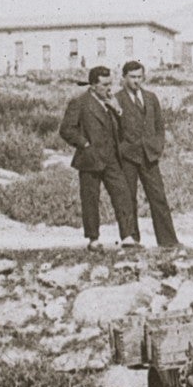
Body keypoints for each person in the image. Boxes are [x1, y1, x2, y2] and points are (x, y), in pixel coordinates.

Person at [59, 65, 137, 250]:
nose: (109, 88)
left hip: (111, 158)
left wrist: (118, 111)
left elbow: (125, 129)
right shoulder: (80, 102)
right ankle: (93, 239)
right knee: (90, 199)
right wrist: (84, 144)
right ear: (93, 86)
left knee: (122, 194)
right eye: (104, 85)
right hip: (90, 159)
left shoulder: (112, 102)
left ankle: (127, 236)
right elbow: (66, 129)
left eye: (110, 84)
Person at [115, 61, 180, 249]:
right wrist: (122, 149)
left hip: (149, 155)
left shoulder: (151, 98)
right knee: (128, 198)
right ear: (124, 78)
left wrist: (157, 146)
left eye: (139, 77)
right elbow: (113, 130)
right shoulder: (117, 99)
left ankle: (168, 241)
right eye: (132, 77)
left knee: (158, 197)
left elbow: (159, 125)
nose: (136, 81)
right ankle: (132, 240)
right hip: (128, 156)